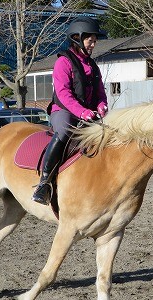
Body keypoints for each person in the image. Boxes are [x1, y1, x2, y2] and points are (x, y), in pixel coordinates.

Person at [32, 17, 108, 205]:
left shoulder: (93, 65)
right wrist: (82, 112)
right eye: (90, 40)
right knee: (64, 132)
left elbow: (100, 92)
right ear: (77, 38)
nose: (93, 44)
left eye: (94, 41)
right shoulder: (63, 63)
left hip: (88, 113)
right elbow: (64, 94)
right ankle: (44, 183)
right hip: (64, 111)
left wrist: (101, 105)